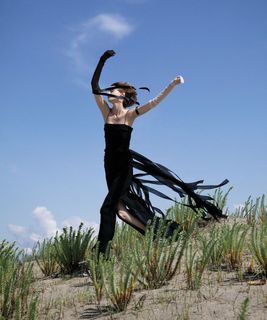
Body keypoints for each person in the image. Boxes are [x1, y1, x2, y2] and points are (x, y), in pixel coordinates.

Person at [91, 50, 228, 255]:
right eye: (108, 89)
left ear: (122, 95)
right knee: (121, 212)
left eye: (114, 89)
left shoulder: (130, 116)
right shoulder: (106, 113)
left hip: (123, 167)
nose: (109, 91)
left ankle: (101, 255)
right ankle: (160, 237)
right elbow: (94, 87)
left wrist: (171, 85)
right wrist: (102, 60)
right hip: (108, 166)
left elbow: (155, 101)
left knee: (106, 208)